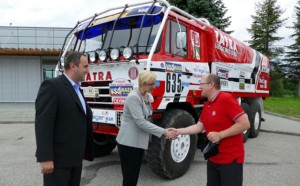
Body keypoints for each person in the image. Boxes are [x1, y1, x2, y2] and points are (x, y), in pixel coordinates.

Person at [175, 73, 250, 186]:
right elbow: (198, 127)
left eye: (201, 84)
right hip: (213, 159)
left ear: (211, 85)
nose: (199, 87)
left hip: (230, 160)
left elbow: (245, 123)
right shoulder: (208, 105)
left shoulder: (226, 99)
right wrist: (178, 131)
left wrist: (220, 135)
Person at [35, 51, 94, 186]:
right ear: (73, 66)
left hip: (75, 159)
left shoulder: (78, 89)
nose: (87, 70)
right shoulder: (52, 86)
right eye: (85, 66)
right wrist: (45, 158)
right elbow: (43, 124)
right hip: (58, 162)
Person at [116, 70, 177, 186]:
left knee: (134, 176)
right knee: (129, 178)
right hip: (129, 143)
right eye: (151, 84)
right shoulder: (133, 98)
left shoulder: (148, 96)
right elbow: (141, 122)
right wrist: (164, 132)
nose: (154, 86)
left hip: (138, 142)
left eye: (155, 83)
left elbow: (148, 117)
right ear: (143, 84)